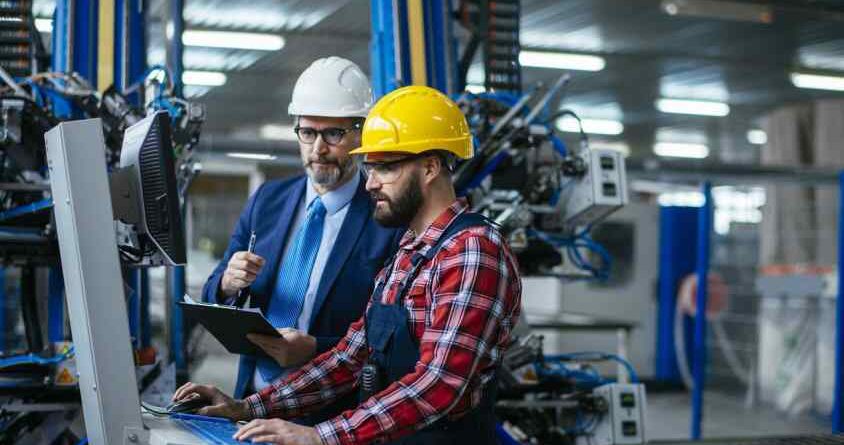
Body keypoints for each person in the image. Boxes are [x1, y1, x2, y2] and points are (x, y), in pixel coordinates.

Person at [181, 85, 522, 445]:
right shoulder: (409, 250)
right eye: (369, 167)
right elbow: (352, 357)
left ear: (430, 167)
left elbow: (439, 384)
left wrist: (322, 436)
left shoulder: (472, 250)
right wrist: (248, 407)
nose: (370, 183)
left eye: (385, 168)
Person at [200, 56, 402, 424]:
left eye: (333, 134)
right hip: (253, 398)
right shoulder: (267, 201)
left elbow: (394, 339)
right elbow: (213, 290)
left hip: (332, 413)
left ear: (362, 134)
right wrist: (228, 283)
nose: (318, 149)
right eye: (308, 133)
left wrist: (315, 349)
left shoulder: (386, 219)